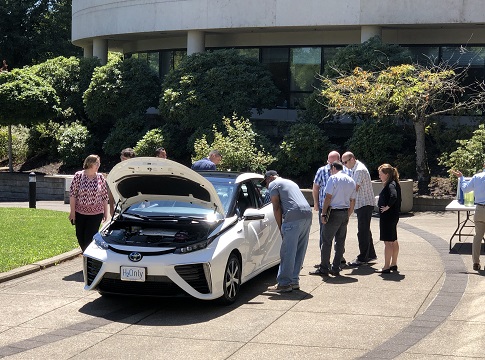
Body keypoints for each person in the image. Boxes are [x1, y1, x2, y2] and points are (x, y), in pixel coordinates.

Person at [264, 170, 312, 293]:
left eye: (266, 182)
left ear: (269, 178)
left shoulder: (273, 184)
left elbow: (276, 207)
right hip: (307, 214)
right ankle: (294, 281)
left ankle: (284, 283)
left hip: (293, 217)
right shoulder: (290, 182)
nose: (266, 186)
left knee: (288, 251)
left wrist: (281, 227)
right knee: (299, 250)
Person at [310, 161, 356, 276]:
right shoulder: (351, 180)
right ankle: (336, 267)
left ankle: (324, 268)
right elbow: (352, 200)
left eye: (331, 170)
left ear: (334, 168)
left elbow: (328, 197)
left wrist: (324, 213)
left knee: (326, 241)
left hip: (334, 212)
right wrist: (348, 213)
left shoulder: (333, 178)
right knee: (340, 241)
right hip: (344, 212)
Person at [342, 151, 378, 266]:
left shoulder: (359, 170)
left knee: (362, 232)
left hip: (364, 204)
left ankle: (362, 258)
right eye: (343, 163)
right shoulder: (355, 168)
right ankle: (370, 254)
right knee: (365, 230)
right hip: (363, 204)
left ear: (352, 159)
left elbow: (354, 188)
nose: (344, 165)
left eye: (346, 162)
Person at [69, 155, 109, 252]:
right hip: (80, 212)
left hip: (96, 214)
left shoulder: (100, 177)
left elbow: (105, 196)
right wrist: (72, 212)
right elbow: (72, 195)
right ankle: (86, 254)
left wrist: (106, 212)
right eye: (96, 163)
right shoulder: (78, 176)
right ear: (89, 163)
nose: (98, 165)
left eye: (99, 163)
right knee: (80, 236)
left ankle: (88, 257)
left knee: (89, 237)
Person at [451, 165, 485, 271]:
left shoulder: (477, 177)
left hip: (479, 208)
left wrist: (461, 178)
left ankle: (476, 262)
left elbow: (465, 189)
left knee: (477, 237)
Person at [376, 164, 402, 273]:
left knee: (388, 242)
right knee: (394, 240)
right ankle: (393, 263)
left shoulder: (391, 185)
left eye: (381, 174)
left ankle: (386, 266)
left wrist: (387, 207)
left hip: (388, 217)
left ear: (386, 174)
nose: (379, 176)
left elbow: (394, 196)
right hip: (393, 216)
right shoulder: (394, 183)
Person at [109, 148, 136, 215]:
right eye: (122, 158)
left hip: (135, 205)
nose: (123, 161)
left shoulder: (138, 171)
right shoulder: (116, 171)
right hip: (119, 206)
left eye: (125, 159)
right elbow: (111, 189)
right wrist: (111, 208)